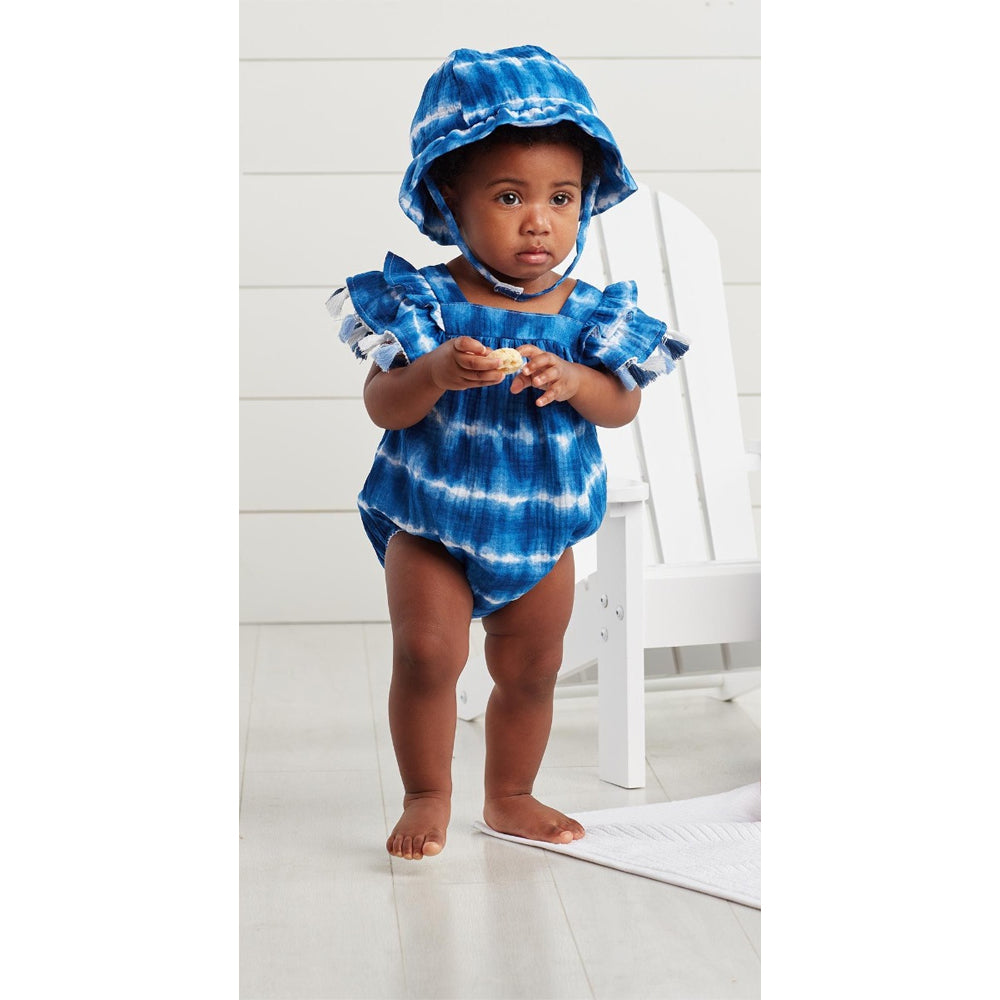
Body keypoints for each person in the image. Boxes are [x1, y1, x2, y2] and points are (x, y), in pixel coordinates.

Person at [327, 45, 688, 860]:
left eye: (562, 197)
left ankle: (511, 794)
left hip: (541, 524)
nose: (539, 221)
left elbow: (622, 406)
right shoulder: (425, 301)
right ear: (448, 199)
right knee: (428, 653)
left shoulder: (590, 313)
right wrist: (432, 372)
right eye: (509, 196)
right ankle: (427, 793)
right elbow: (383, 403)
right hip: (432, 518)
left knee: (530, 667)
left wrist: (577, 382)